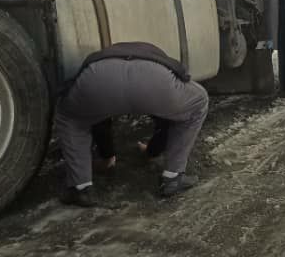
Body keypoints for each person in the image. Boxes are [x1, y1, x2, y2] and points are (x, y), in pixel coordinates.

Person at [55, 42, 209, 207]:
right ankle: (173, 178)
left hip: (98, 78)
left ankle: (81, 187)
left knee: (71, 117)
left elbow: (98, 120)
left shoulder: (105, 55)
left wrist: (107, 156)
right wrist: (152, 150)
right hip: (154, 80)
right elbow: (168, 119)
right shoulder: (157, 57)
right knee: (198, 102)